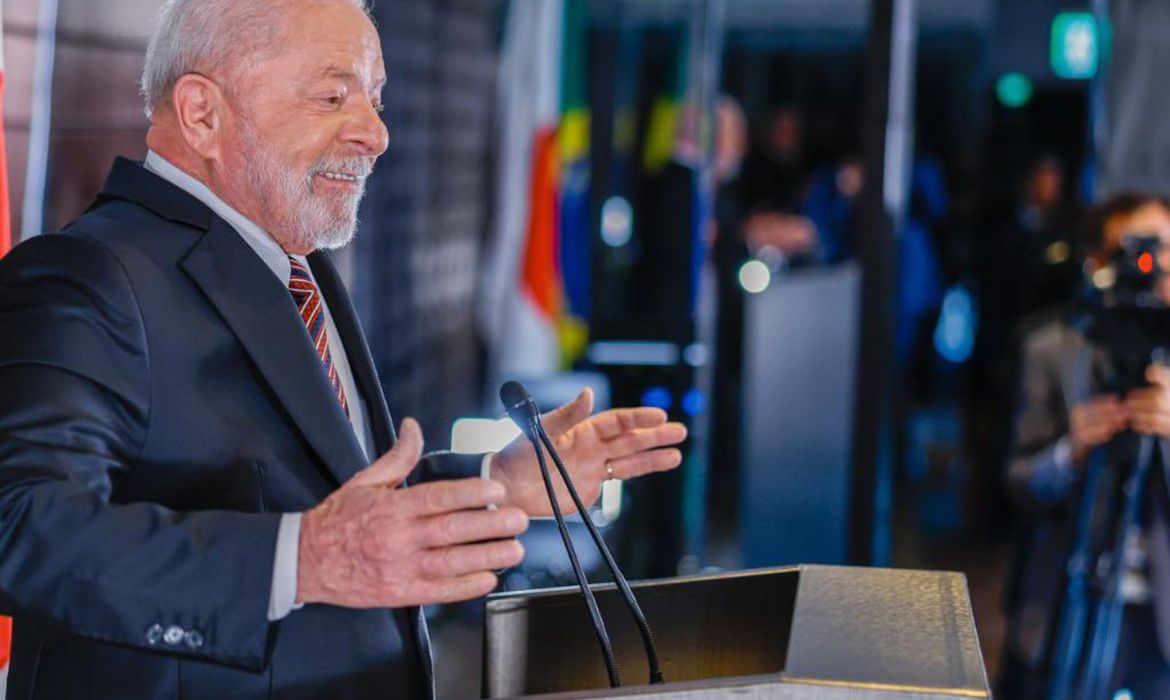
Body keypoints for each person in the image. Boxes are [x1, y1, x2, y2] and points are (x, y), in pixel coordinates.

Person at [0, 0, 687, 697]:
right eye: (333, 95)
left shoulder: (295, 260)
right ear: (203, 114)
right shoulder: (86, 276)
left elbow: (323, 501)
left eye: (376, 97)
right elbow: (20, 531)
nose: (376, 133)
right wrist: (303, 562)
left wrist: (494, 485)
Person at [1000, 193, 1170, 698]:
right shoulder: (1052, 349)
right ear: (1097, 260)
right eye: (1135, 248)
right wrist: (1071, 450)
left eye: (1164, 247)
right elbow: (1019, 485)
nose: (1153, 263)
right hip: (1060, 608)